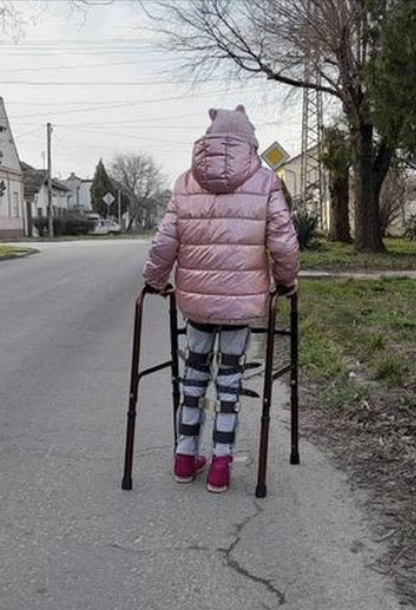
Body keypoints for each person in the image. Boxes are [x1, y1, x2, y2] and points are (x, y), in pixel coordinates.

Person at [143, 105, 300, 493]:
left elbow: (165, 241)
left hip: (196, 302)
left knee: (194, 375)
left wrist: (155, 279)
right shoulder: (265, 182)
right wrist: (286, 281)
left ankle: (184, 458)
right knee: (229, 381)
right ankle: (220, 466)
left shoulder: (185, 182)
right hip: (240, 303)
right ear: (249, 139)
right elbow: (282, 241)